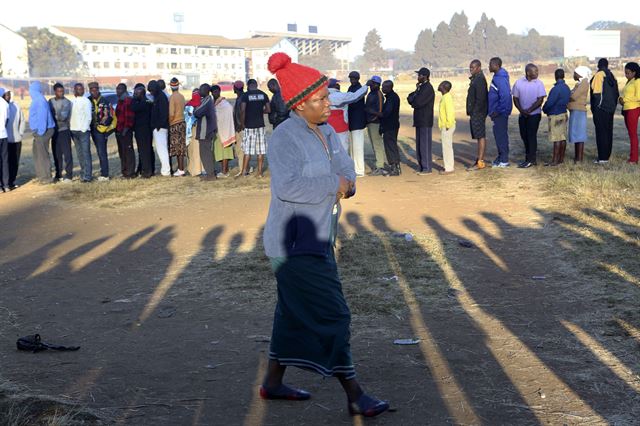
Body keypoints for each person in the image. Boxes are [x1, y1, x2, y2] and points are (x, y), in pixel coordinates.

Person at [263, 51, 389, 418]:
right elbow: (288, 186)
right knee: (334, 314)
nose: (328, 104)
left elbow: (348, 170)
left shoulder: (330, 131)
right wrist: (336, 183)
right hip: (292, 243)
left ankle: (272, 381)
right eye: (321, 99)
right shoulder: (285, 136)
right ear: (300, 104)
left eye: (327, 96)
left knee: (290, 312)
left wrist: (345, 182)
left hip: (319, 235)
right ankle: (353, 392)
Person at [512, 63, 546, 168]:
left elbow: (540, 99)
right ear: (528, 73)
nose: (537, 73)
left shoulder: (539, 84)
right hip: (523, 115)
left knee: (531, 136)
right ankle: (528, 157)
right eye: (535, 71)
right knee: (524, 135)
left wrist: (530, 110)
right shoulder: (518, 83)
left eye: (537, 71)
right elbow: (515, 98)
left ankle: (532, 159)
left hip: (534, 114)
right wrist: (522, 110)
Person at [327, 78, 368, 153]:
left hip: (327, 127)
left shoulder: (323, 97)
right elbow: (356, 96)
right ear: (335, 86)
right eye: (338, 84)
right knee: (343, 149)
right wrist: (366, 86)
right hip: (341, 127)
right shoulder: (340, 96)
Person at [240, 79, 271, 178]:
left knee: (248, 150)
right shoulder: (263, 94)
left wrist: (242, 123)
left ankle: (244, 172)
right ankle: (260, 173)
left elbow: (243, 110)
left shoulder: (246, 95)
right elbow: (268, 109)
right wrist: (260, 112)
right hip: (260, 125)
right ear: (256, 85)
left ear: (248, 86)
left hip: (249, 125)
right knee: (261, 150)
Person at [591, 58, 619, 164]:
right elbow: (616, 94)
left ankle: (602, 158)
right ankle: (606, 156)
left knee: (601, 133)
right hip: (610, 109)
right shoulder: (612, 75)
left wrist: (596, 107)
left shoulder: (599, 75)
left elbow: (596, 93)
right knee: (608, 132)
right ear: (607, 65)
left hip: (601, 109)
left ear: (598, 65)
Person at [408, 67, 435, 175]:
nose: (418, 77)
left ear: (425, 76)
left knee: (425, 144)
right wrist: (413, 100)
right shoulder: (420, 87)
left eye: (419, 75)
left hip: (425, 119)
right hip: (419, 119)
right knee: (419, 144)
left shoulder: (428, 88)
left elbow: (417, 102)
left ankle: (427, 168)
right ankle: (421, 166)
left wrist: (413, 100)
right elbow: (410, 97)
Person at [542, 69, 571, 166]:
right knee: (562, 137)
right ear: (563, 76)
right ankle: (561, 159)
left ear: (555, 76)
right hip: (563, 113)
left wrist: (544, 109)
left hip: (555, 115)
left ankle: (554, 161)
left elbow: (550, 103)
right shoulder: (567, 87)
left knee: (556, 138)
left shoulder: (556, 89)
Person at [29, 81, 56, 183]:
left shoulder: (39, 100)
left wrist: (40, 131)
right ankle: (41, 176)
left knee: (42, 155)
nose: (29, 92)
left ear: (34, 90)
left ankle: (46, 178)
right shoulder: (37, 99)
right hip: (39, 131)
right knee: (37, 154)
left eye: (30, 90)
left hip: (43, 131)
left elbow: (42, 117)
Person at [488, 57, 513, 168]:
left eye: (490, 65)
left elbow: (506, 96)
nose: (489, 67)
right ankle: (500, 157)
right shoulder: (497, 77)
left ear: (496, 66)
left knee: (501, 136)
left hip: (500, 114)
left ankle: (504, 160)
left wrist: (498, 111)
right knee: (498, 136)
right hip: (497, 113)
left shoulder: (500, 79)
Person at [466, 59, 489, 170]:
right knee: (479, 136)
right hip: (476, 112)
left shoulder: (479, 79)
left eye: (473, 67)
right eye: (470, 68)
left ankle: (480, 162)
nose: (471, 70)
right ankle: (479, 160)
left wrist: (475, 112)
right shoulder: (476, 78)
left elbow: (480, 98)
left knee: (480, 136)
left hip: (478, 112)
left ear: (479, 67)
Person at [88, 82, 114, 181]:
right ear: (89, 90)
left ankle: (105, 174)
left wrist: (104, 129)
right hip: (91, 129)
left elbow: (110, 116)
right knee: (98, 151)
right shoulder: (88, 100)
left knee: (102, 152)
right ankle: (102, 171)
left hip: (101, 130)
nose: (94, 92)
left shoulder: (104, 101)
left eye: (96, 89)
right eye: (92, 90)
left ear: (98, 89)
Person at [49, 83, 73, 182]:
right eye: (59, 91)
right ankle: (58, 174)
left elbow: (63, 117)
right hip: (54, 132)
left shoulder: (67, 102)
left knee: (67, 154)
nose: (61, 93)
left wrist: (53, 114)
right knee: (56, 154)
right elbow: (48, 115)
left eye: (62, 91)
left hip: (64, 131)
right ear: (55, 91)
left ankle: (69, 175)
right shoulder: (50, 101)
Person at [193, 83, 217, 180]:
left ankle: (210, 174)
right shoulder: (206, 100)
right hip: (206, 130)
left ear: (206, 91)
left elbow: (197, 112)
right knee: (206, 152)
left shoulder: (207, 101)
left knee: (205, 153)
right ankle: (210, 173)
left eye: (201, 89)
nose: (199, 91)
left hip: (205, 131)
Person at [364, 76, 388, 175]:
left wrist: (371, 115)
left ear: (377, 84)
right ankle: (379, 164)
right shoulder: (372, 93)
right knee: (375, 144)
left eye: (372, 83)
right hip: (371, 122)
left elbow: (380, 111)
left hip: (375, 122)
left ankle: (380, 166)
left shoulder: (378, 94)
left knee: (377, 145)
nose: (370, 85)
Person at [568, 66, 592, 163]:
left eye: (575, 73)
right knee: (576, 134)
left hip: (579, 110)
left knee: (579, 134)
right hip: (575, 110)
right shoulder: (580, 83)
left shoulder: (584, 83)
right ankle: (577, 157)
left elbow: (573, 96)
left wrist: (569, 93)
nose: (573, 75)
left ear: (580, 74)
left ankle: (579, 158)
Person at [70, 83, 93, 182]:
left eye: (81, 89)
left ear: (83, 90)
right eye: (77, 89)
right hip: (74, 131)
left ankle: (88, 176)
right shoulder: (72, 101)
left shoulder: (86, 101)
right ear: (74, 90)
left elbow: (88, 117)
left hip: (83, 131)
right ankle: (83, 173)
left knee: (86, 153)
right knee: (79, 154)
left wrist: (84, 128)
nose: (79, 91)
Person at [211, 84, 236, 178]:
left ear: (219, 91)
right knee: (220, 153)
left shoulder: (224, 104)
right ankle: (223, 170)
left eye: (216, 91)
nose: (215, 93)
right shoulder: (215, 103)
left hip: (225, 131)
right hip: (217, 132)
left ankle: (225, 171)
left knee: (225, 152)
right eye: (213, 92)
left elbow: (228, 113)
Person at [3, 90, 25, 190]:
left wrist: (20, 133)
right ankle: (4, 183)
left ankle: (11, 182)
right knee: (5, 162)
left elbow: (22, 120)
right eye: (6, 95)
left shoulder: (16, 106)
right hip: (4, 140)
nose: (8, 96)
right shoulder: (2, 106)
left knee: (14, 161)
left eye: (9, 94)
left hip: (16, 139)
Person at [347, 71, 368, 176]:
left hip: (358, 121)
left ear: (358, 78)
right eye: (351, 78)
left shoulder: (360, 89)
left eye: (354, 78)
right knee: (352, 147)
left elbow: (353, 101)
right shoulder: (351, 88)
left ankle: (360, 170)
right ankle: (354, 169)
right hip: (352, 121)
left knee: (358, 147)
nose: (352, 79)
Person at [131, 83, 154, 178]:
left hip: (143, 130)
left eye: (137, 93)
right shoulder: (147, 101)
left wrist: (134, 98)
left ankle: (146, 171)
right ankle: (147, 170)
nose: (135, 95)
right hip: (145, 130)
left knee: (144, 151)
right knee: (145, 150)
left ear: (142, 94)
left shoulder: (143, 103)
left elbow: (133, 107)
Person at [619, 62, 640, 164]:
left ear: (634, 72)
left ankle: (634, 158)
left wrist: (625, 100)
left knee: (633, 134)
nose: (626, 75)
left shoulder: (638, 81)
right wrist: (621, 99)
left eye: (628, 73)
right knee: (631, 134)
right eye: (625, 73)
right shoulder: (629, 81)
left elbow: (638, 97)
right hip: (626, 108)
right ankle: (632, 156)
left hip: (633, 109)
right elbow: (625, 94)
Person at [149, 80, 171, 176]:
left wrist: (158, 126)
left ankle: (166, 171)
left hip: (161, 127)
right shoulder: (159, 96)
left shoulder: (161, 98)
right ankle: (165, 169)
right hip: (160, 127)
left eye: (152, 90)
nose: (151, 92)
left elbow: (164, 113)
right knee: (161, 149)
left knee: (162, 149)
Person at [380, 80, 401, 176]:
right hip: (392, 124)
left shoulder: (391, 98)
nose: (382, 89)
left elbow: (387, 113)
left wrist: (375, 113)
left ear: (389, 87)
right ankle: (396, 167)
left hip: (390, 125)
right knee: (392, 145)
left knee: (390, 146)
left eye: (384, 87)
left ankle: (394, 167)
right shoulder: (392, 97)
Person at [115, 83, 136, 178]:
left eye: (119, 89)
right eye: (117, 89)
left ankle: (130, 172)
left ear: (124, 90)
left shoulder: (127, 100)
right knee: (122, 152)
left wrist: (126, 129)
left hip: (125, 131)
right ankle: (124, 171)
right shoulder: (120, 100)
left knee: (128, 152)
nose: (117, 91)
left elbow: (129, 117)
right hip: (119, 130)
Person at [169, 78, 187, 176]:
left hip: (175, 123)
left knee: (177, 147)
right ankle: (181, 168)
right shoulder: (182, 96)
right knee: (181, 147)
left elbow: (171, 113)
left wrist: (169, 122)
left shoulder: (172, 97)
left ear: (171, 87)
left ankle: (180, 169)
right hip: (182, 122)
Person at [438, 81, 456, 174]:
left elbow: (450, 112)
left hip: (447, 126)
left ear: (444, 87)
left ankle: (449, 168)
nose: (439, 85)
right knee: (447, 147)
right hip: (445, 125)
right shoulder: (445, 97)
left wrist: (448, 125)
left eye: (441, 84)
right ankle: (449, 167)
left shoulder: (447, 98)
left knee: (447, 147)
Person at [186, 89, 203, 176]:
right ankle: (199, 169)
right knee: (197, 150)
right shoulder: (202, 104)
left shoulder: (188, 105)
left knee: (193, 151)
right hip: (197, 130)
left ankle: (194, 170)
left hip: (191, 131)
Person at [232, 80, 245, 171]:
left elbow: (242, 113)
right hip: (239, 127)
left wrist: (240, 125)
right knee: (239, 149)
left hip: (241, 127)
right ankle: (245, 168)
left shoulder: (242, 98)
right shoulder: (240, 97)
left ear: (236, 88)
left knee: (241, 150)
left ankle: (242, 169)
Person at [0, 88, 8, 191]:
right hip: (4, 135)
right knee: (5, 160)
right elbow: (7, 119)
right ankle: (6, 185)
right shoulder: (4, 103)